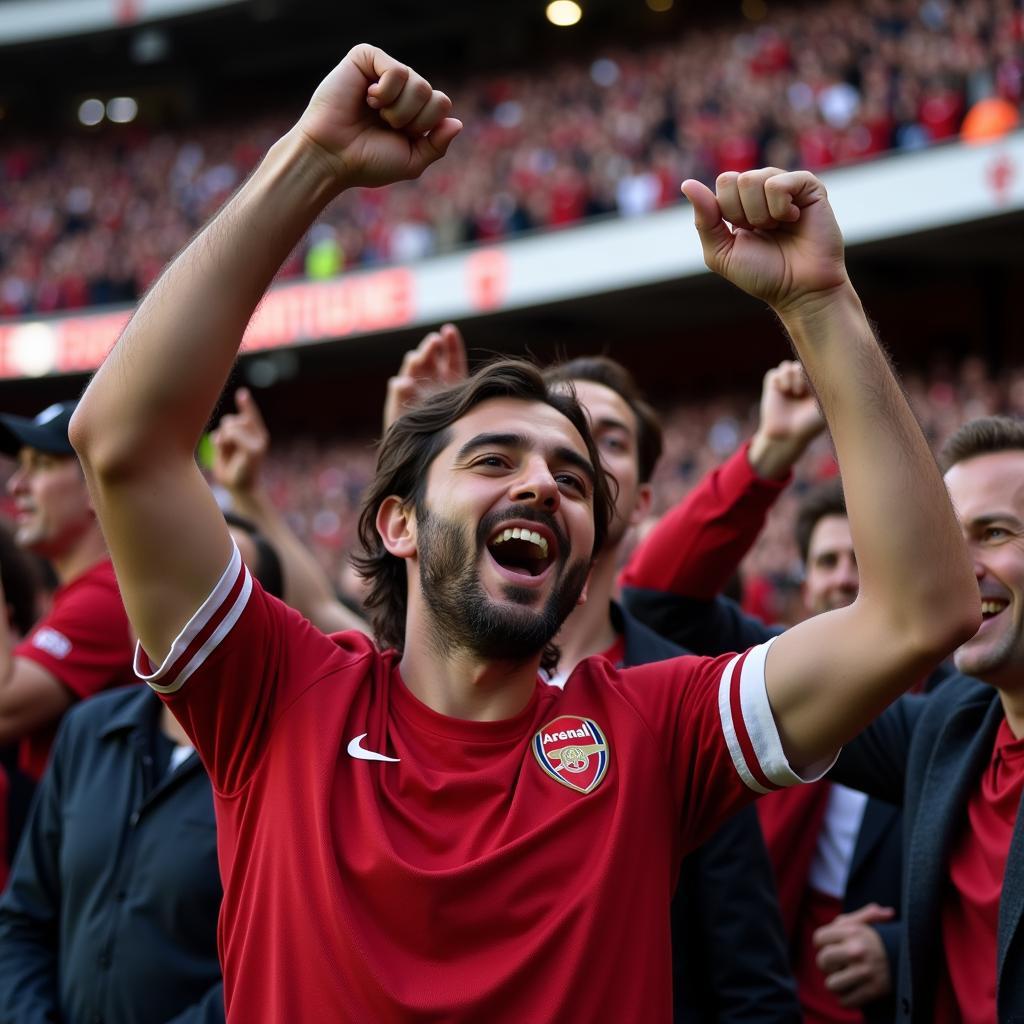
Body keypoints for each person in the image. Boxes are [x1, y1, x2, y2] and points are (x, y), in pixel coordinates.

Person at [67, 44, 978, 1020]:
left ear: (588, 557)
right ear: (398, 524)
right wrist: (311, 161)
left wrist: (820, 304)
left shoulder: (651, 733)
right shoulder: (280, 698)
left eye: (573, 476)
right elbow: (121, 443)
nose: (543, 484)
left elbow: (919, 613)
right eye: (494, 460)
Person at [386, 330, 801, 1021]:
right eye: (505, 452)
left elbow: (745, 967)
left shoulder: (683, 698)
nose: (542, 476)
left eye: (601, 443)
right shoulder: (392, 689)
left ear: (635, 502)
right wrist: (415, 447)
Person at [620, 436, 930, 1021]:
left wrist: (904, 951)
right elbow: (656, 599)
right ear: (804, 583)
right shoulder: (768, 695)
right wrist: (766, 454)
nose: (843, 579)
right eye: (826, 562)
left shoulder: (952, 719)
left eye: (863, 561)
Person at [0, 514, 283, 1024]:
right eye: (153, 569)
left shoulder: (281, 771)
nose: (170, 592)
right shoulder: (85, 732)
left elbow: (269, 965)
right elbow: (23, 917)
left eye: (215, 584)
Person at [827, 415, 1024, 1022]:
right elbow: (675, 612)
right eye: (947, 534)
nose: (958, 568)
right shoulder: (949, 725)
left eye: (993, 532)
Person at [0, 401, 134, 783]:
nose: (16, 485)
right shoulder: (86, 592)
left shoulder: (105, 597)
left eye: (40, 465)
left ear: (95, 486)